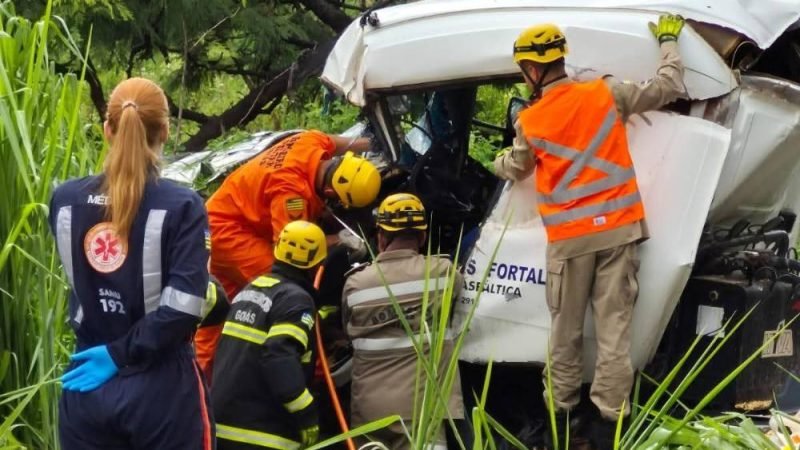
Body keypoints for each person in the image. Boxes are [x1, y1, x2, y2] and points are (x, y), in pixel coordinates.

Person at [494, 15, 687, 449]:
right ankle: (609, 426)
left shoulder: (531, 121)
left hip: (570, 241)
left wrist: (498, 161)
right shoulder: (605, 92)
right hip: (618, 232)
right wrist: (669, 41)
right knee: (614, 332)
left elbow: (518, 167)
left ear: (532, 70)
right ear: (561, 59)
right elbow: (667, 86)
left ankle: (560, 421)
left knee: (565, 334)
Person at [49, 77, 214, 449]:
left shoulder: (66, 200)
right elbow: (183, 309)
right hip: (160, 387)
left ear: (107, 129)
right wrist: (120, 354)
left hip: (85, 382)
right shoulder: (183, 207)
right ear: (165, 131)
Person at [200, 130, 381, 376]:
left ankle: (200, 377)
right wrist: (341, 239)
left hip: (225, 220)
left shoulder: (310, 142)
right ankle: (316, 372)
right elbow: (293, 247)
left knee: (219, 314)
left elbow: (340, 142)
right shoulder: (290, 193)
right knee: (286, 292)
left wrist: (369, 144)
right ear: (330, 192)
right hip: (229, 232)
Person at [342, 193, 464, 450]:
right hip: (422, 409)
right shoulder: (443, 273)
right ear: (423, 236)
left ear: (381, 237)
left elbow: (347, 328)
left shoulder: (356, 283)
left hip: (369, 410)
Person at [211, 220, 326, 450]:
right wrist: (306, 413)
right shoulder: (297, 300)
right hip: (262, 433)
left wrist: (317, 319)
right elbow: (278, 356)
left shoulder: (251, 289)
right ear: (318, 264)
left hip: (221, 426)